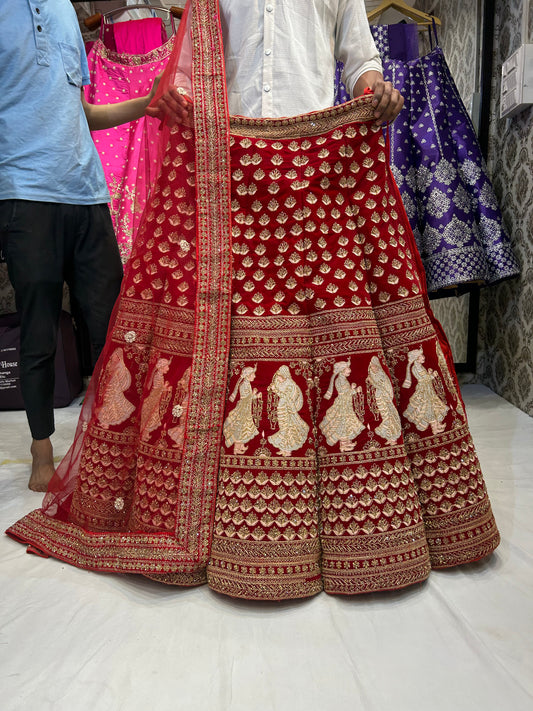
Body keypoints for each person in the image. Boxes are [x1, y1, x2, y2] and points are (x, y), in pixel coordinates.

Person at [7, 0, 500, 601]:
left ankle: (348, 529)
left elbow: (360, 58)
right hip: (226, 174)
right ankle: (218, 530)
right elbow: (188, 70)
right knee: (227, 345)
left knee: (330, 339)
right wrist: (174, 96)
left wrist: (376, 88)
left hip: (320, 169)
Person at [0, 0, 161, 491]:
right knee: (40, 328)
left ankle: (114, 445)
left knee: (113, 326)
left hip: (88, 193)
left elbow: (79, 113)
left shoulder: (67, 13)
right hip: (26, 194)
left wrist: (143, 105)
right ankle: (41, 450)